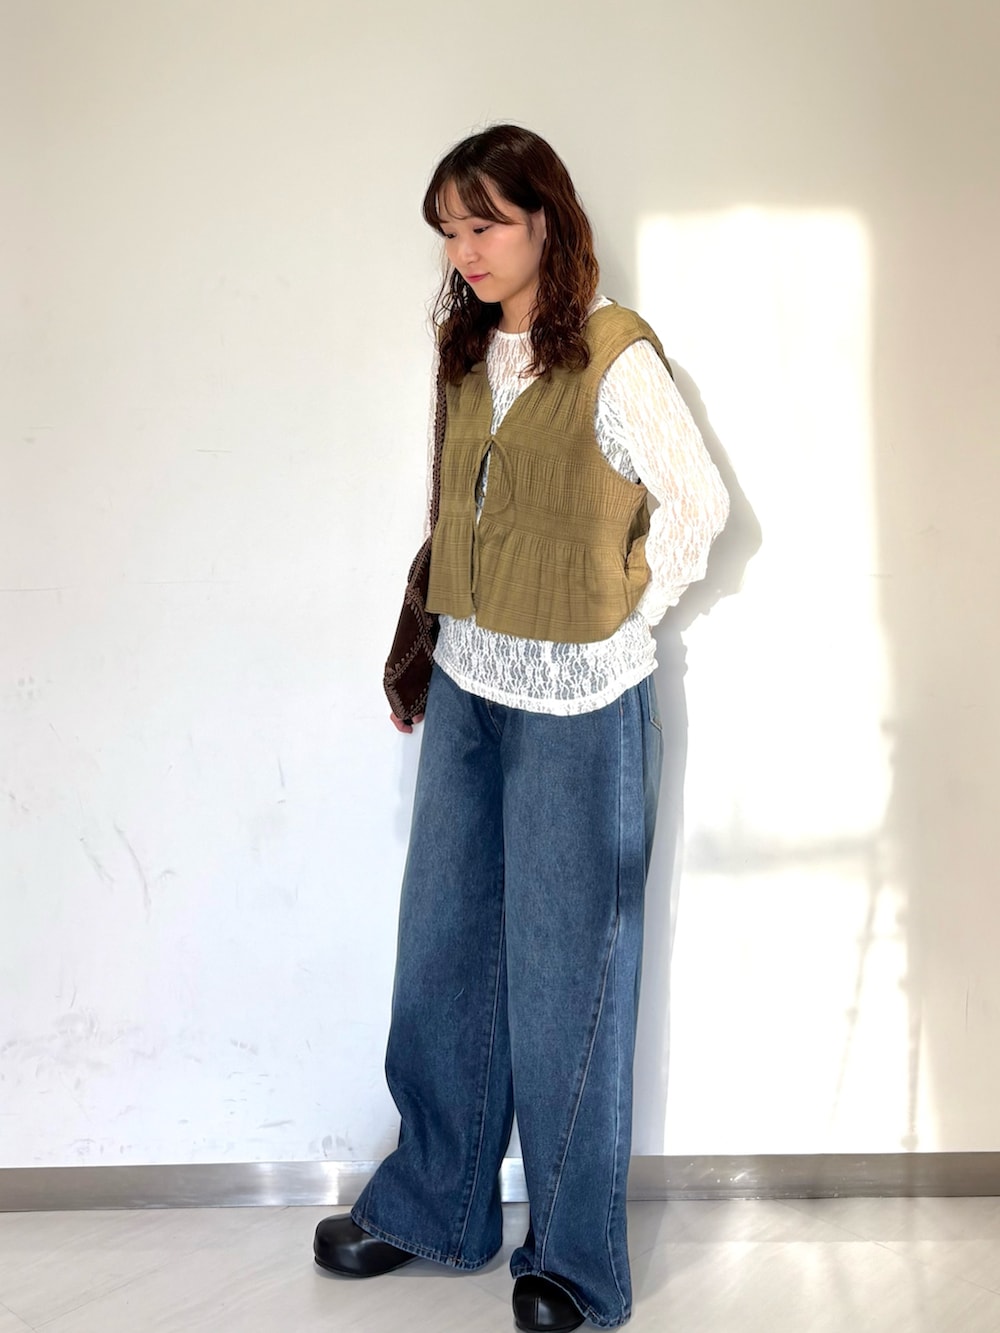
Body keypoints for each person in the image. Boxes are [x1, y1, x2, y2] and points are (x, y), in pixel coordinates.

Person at [313, 125, 729, 1331]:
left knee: (567, 977)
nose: (465, 249)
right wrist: (425, 647)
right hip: (468, 686)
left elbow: (697, 505)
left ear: (546, 216)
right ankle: (432, 1203)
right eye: (450, 229)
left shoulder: (612, 353)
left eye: (484, 222)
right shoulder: (461, 351)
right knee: (441, 952)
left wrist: (617, 615)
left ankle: (572, 1262)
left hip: (580, 707)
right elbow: (455, 511)